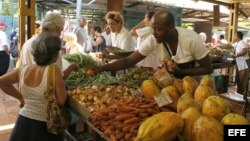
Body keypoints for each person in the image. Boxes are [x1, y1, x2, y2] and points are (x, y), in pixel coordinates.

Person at [86, 10, 212, 78]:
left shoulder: (192, 39)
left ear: (170, 27)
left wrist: (181, 73)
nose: (154, 32)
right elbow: (129, 61)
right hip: (170, 83)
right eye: (153, 28)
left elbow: (208, 68)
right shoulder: (154, 39)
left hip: (193, 85)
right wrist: (101, 69)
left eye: (158, 29)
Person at [0, 32, 70, 141]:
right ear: (54, 55)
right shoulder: (53, 71)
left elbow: (2, 82)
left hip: (23, 124)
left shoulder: (23, 69)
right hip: (45, 127)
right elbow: (61, 100)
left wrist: (20, 97)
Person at [19, 13, 77, 79]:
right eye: (61, 30)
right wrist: (71, 67)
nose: (60, 34)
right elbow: (54, 78)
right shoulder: (47, 46)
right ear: (56, 29)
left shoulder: (28, 43)